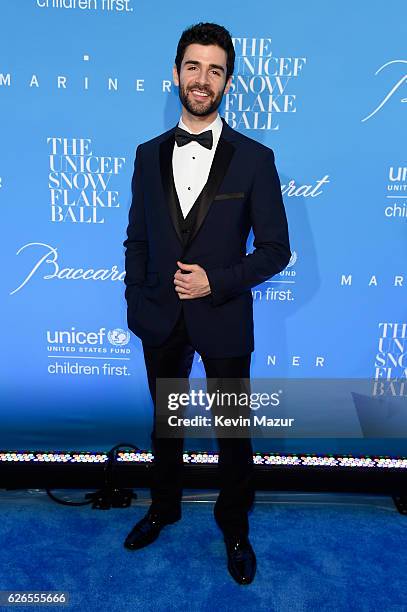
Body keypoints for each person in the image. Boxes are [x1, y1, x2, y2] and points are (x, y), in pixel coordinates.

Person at [122, 22, 291, 585]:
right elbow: (138, 239)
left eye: (215, 70)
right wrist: (136, 301)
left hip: (221, 317)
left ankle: (235, 525)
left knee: (232, 430)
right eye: (193, 67)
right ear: (176, 73)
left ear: (227, 81)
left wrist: (214, 283)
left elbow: (275, 251)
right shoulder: (147, 156)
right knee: (166, 425)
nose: (202, 79)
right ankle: (163, 506)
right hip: (160, 316)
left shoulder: (255, 159)